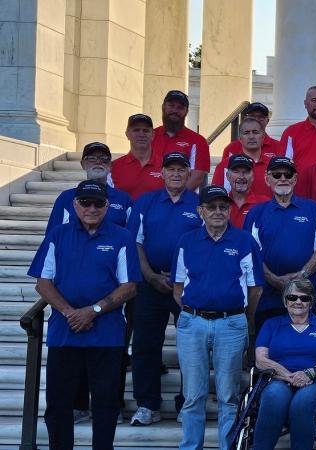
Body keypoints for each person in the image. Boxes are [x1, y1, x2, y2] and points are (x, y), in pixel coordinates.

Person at [30, 180, 141, 450]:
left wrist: (93, 311)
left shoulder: (122, 237)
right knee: (58, 405)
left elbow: (129, 287)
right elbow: (43, 283)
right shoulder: (58, 234)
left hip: (107, 335)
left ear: (106, 206)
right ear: (75, 205)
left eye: (98, 203)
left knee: (105, 405)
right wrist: (71, 313)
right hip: (64, 333)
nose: (92, 208)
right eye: (85, 203)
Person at [172, 184, 264, 450]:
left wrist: (239, 317)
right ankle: (191, 447)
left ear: (229, 210)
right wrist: (194, 311)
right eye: (211, 207)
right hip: (193, 323)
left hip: (231, 323)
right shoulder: (186, 241)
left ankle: (228, 446)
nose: (217, 211)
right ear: (200, 210)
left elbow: (255, 289)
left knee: (229, 395)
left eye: (223, 207)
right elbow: (178, 287)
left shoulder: (245, 241)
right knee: (192, 395)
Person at [126, 152, 203, 427]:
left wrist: (183, 277)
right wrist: (148, 275)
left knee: (190, 346)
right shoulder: (146, 202)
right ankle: (147, 404)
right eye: (170, 169)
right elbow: (134, 242)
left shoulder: (199, 203)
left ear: (188, 173)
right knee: (145, 345)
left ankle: (187, 403)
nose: (176, 173)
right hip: (151, 285)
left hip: (188, 286)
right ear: (162, 173)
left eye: (181, 169)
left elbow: (206, 242)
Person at [252, 279, 316, 450]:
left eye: (304, 298)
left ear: (312, 302)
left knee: (303, 402)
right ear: (285, 301)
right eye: (293, 297)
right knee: (273, 397)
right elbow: (261, 360)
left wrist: (310, 373)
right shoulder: (271, 325)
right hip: (279, 378)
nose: (298, 302)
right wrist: (289, 376)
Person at [244, 157, 316, 330]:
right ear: (267, 179)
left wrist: (301, 276)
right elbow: (250, 253)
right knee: (266, 347)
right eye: (276, 174)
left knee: (302, 349)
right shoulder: (256, 213)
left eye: (287, 174)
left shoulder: (314, 209)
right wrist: (273, 279)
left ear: (295, 179)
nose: (282, 178)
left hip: (304, 294)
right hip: (266, 295)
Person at [48, 142, 133, 231]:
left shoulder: (124, 199)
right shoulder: (66, 197)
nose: (98, 162)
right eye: (92, 158)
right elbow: (52, 236)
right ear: (83, 164)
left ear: (110, 165)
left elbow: (132, 237)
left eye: (104, 158)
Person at [151, 90, 210, 189]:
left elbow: (197, 177)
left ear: (186, 112)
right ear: (163, 107)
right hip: (146, 199)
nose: (175, 110)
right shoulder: (149, 136)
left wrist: (174, 199)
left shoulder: (198, 141)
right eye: (171, 105)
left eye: (180, 107)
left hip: (178, 201)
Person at [211, 116, 273, 198]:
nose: (251, 137)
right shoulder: (225, 165)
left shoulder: (273, 165)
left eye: (255, 132)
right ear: (240, 138)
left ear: (263, 137)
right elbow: (216, 197)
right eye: (246, 133)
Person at [109, 113, 164, 199]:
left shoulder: (165, 166)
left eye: (145, 130)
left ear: (153, 135)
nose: (141, 134)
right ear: (127, 134)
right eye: (136, 130)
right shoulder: (113, 167)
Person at [221, 154, 270, 228]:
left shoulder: (265, 204)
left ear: (253, 176)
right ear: (228, 176)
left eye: (246, 172)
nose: (241, 176)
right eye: (236, 172)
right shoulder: (219, 204)